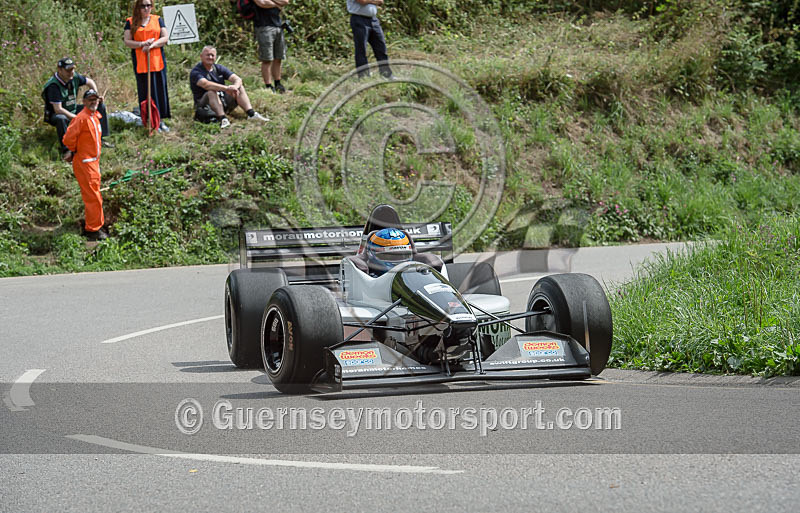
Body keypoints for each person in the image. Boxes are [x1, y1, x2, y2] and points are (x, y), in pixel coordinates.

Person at [42, 57, 113, 157]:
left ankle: (100, 138)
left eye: (72, 69)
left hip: (73, 109)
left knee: (99, 105)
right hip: (56, 114)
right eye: (68, 70)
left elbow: (90, 82)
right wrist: (77, 119)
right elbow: (58, 109)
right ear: (60, 70)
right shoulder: (53, 86)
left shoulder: (74, 77)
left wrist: (95, 96)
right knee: (61, 119)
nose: (71, 72)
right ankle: (67, 150)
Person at [63, 90, 108, 241]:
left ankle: (96, 225)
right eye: (90, 100)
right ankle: (93, 229)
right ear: (84, 101)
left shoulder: (95, 117)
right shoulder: (80, 118)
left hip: (93, 162)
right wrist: (74, 150)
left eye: (95, 99)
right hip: (85, 163)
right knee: (93, 197)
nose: (93, 102)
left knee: (95, 194)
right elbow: (68, 139)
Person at [190, 46, 269, 128]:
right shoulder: (196, 71)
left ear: (215, 57)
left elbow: (237, 79)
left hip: (222, 101)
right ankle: (223, 119)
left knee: (239, 87)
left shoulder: (218, 68)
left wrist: (235, 86)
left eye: (212, 55)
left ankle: (251, 114)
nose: (210, 57)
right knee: (211, 91)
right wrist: (226, 88)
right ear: (201, 56)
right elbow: (206, 84)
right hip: (205, 105)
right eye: (207, 55)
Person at [123, 0, 171, 132]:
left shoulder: (157, 19)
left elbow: (165, 37)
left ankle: (160, 120)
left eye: (148, 5)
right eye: (143, 6)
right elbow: (127, 41)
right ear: (138, 7)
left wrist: (152, 45)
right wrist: (141, 44)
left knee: (159, 89)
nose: (146, 8)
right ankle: (149, 120)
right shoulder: (131, 22)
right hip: (141, 62)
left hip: (157, 61)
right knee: (145, 91)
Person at [346, 0, 392, 78]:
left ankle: (386, 74)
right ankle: (363, 76)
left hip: (373, 20)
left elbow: (381, 1)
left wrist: (370, 1)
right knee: (361, 50)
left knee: (381, 47)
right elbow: (362, 1)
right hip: (359, 19)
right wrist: (374, 1)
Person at [253, 0, 289, 93]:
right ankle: (268, 86)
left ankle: (278, 83)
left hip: (278, 26)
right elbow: (262, 3)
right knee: (267, 59)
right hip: (263, 27)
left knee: (278, 57)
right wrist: (277, 4)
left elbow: (285, 1)